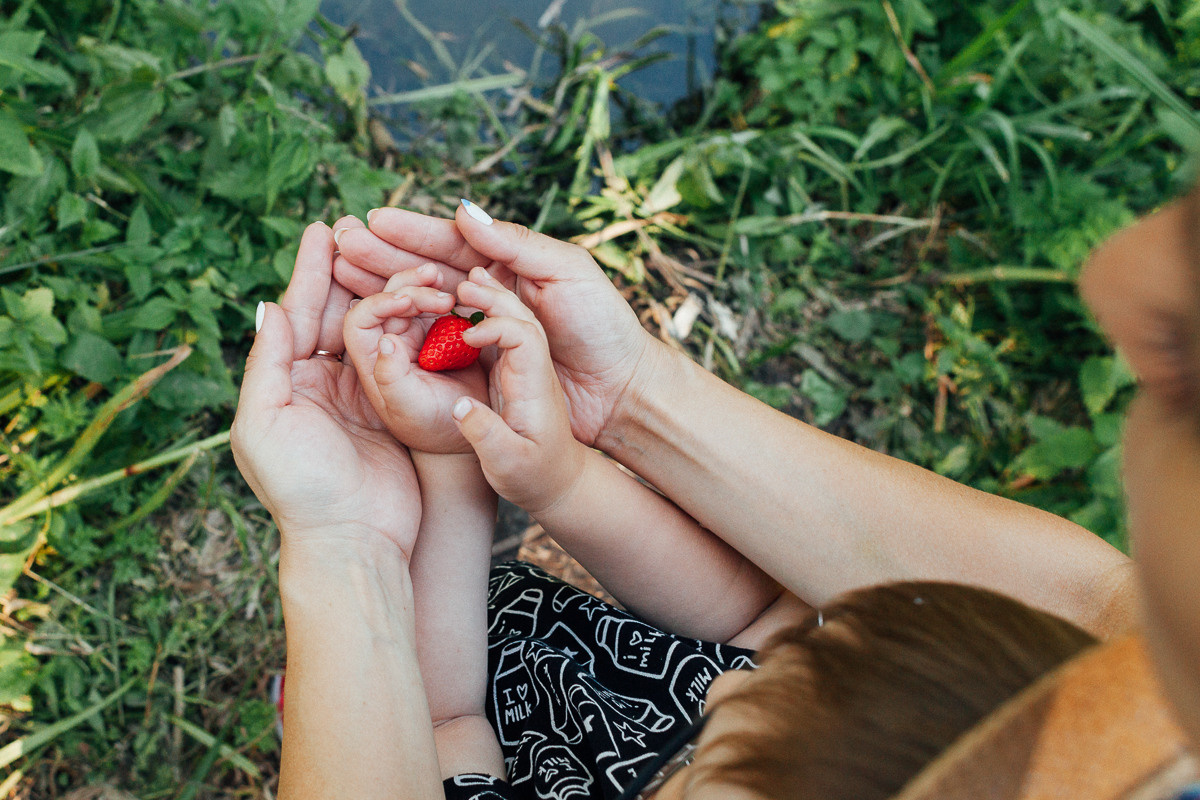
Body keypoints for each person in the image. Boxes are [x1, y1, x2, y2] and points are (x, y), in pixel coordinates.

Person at [232, 184, 1171, 800]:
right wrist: (521, 466)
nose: (714, 691)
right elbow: (755, 613)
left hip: (447, 709)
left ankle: (337, 705)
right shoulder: (814, 720)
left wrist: (355, 554)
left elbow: (445, 729)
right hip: (500, 669)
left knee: (367, 710)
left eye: (695, 768)